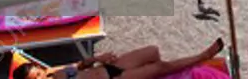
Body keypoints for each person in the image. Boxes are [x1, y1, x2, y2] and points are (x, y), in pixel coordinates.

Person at [12, 38, 224, 79]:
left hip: (108, 68)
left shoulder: (56, 74)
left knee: (152, 51)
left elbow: (80, 65)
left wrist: (98, 57)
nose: (41, 77)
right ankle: (203, 56)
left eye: (38, 73)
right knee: (160, 67)